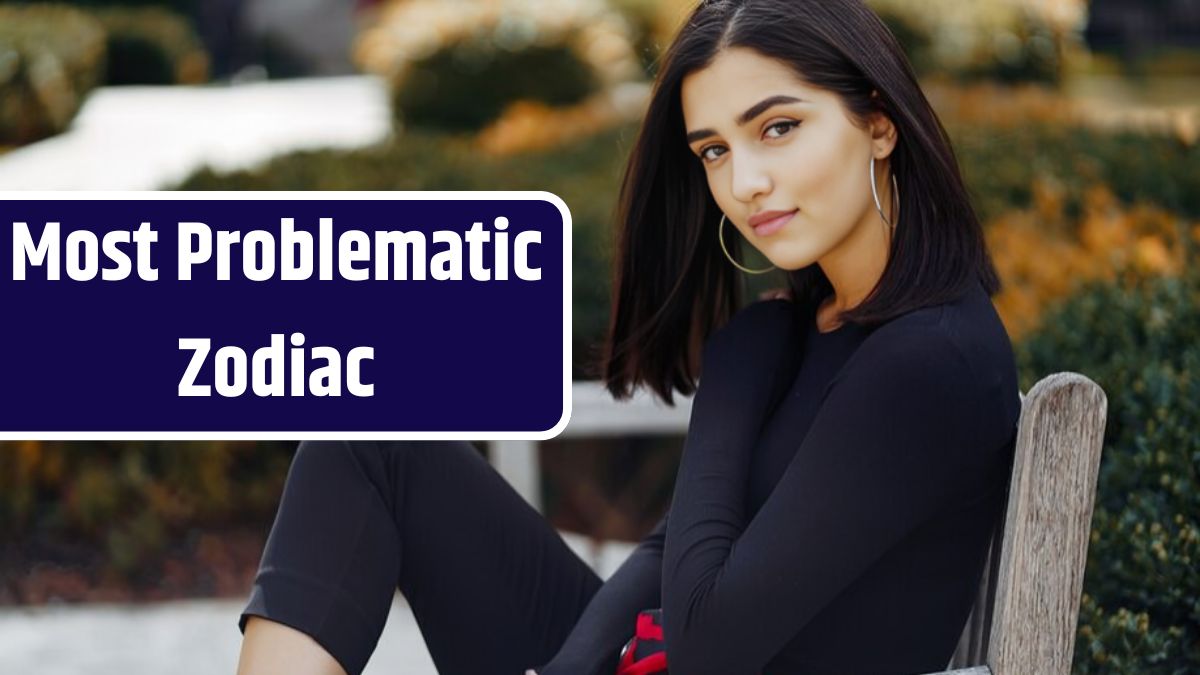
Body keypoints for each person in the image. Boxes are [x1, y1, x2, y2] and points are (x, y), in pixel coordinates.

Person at [235, 0, 1022, 674]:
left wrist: (733, 377)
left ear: (878, 124)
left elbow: (711, 644)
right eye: (715, 149)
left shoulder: (928, 361)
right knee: (371, 443)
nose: (743, 182)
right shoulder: (815, 326)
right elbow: (671, 547)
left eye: (778, 127)